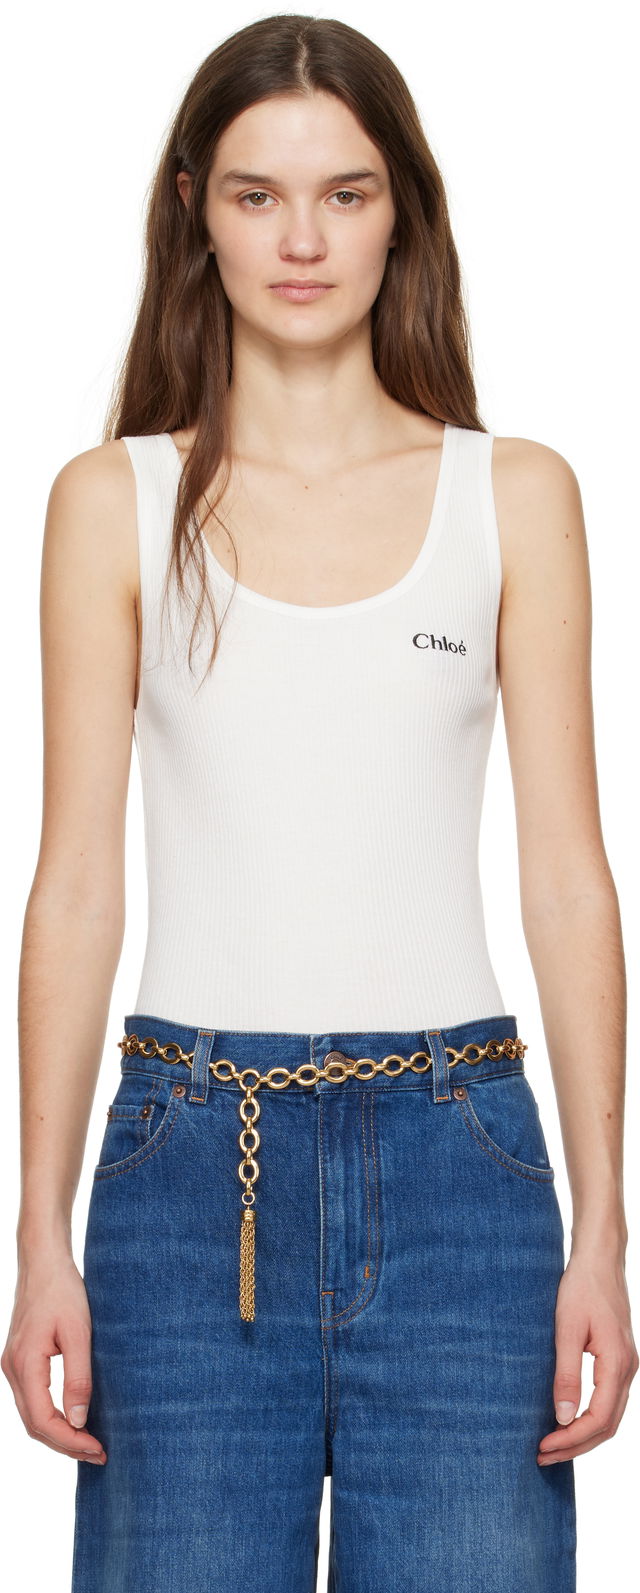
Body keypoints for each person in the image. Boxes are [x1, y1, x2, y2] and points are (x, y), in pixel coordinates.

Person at [2, 14, 637, 1592]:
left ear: (400, 211)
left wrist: (604, 1231)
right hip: (182, 1172)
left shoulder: (516, 495)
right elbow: (76, 882)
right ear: (195, 212)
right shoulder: (112, 502)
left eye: (346, 195)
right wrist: (37, 1234)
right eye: (257, 195)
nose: (303, 240)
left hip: (464, 1169)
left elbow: (568, 877)